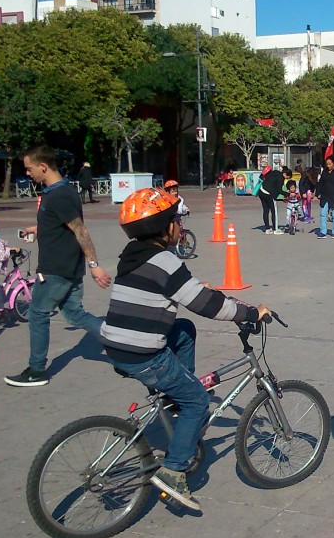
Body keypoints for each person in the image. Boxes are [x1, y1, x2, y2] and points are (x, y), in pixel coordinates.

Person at [101, 187, 271, 510]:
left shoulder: (133, 255)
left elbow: (168, 291)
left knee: (183, 330)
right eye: (176, 220)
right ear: (165, 227)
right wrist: (250, 313)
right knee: (198, 401)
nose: (180, 225)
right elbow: (208, 306)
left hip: (117, 344)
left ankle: (174, 399)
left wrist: (195, 290)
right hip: (143, 353)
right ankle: (174, 471)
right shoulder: (165, 261)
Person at [6, 146, 112, 387]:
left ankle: (36, 370)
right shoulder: (58, 192)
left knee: (37, 313)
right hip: (68, 268)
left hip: (56, 270)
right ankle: (121, 337)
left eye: (29, 168)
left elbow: (80, 230)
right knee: (75, 314)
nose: (27, 173)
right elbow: (62, 224)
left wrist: (94, 265)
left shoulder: (59, 195)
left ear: (43, 167)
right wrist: (40, 229)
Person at [316, 156, 334, 239]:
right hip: (325, 196)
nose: (328, 166)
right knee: (323, 213)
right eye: (327, 164)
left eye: (330, 164)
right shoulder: (324, 172)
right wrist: (316, 195)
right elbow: (320, 183)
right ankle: (323, 231)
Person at [257, 165, 284, 234]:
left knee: (265, 210)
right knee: (274, 211)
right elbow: (279, 190)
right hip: (268, 194)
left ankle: (267, 229)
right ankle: (275, 229)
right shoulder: (279, 177)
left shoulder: (268, 175)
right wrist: (287, 194)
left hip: (261, 192)